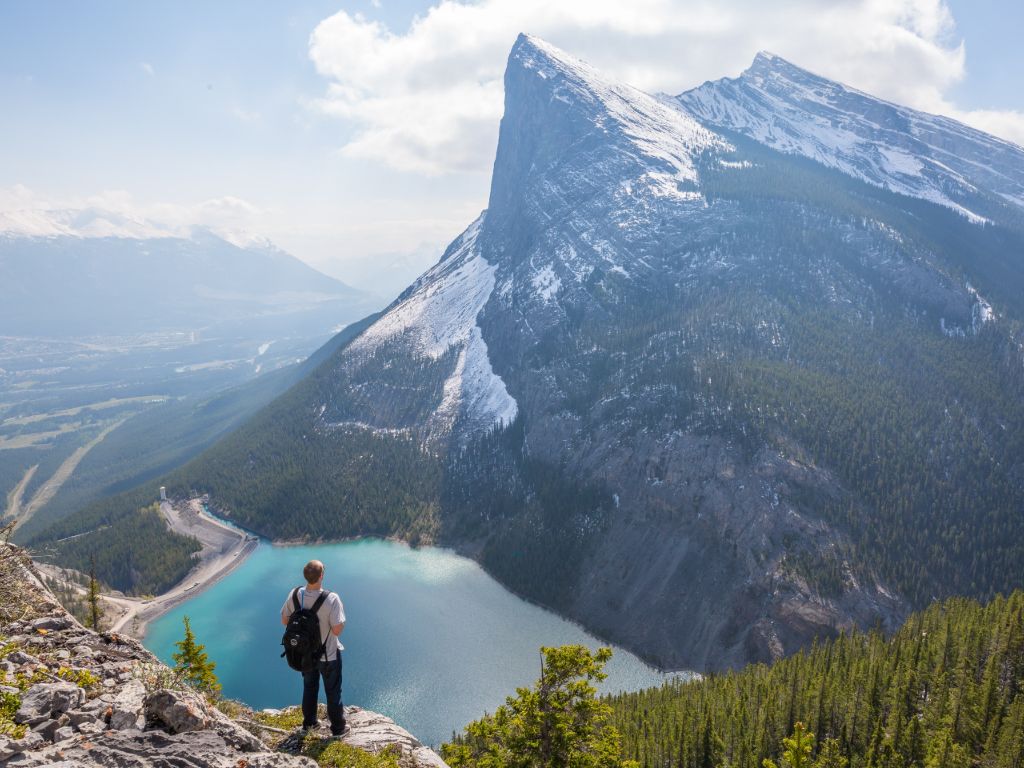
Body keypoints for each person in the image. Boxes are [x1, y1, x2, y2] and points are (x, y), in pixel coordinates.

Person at [280, 559, 349, 737]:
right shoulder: (331, 598)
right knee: (333, 691)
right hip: (328, 655)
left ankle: (309, 724)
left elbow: (285, 621)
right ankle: (338, 729)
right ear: (321, 576)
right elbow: (337, 629)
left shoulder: (295, 594)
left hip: (306, 654)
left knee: (309, 687)